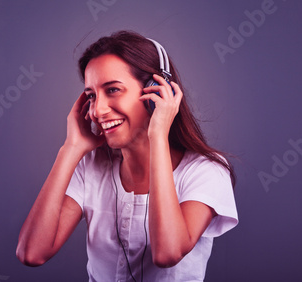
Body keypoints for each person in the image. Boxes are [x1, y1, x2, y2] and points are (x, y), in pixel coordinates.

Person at [16, 30, 238, 281]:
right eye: (91, 95)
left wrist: (158, 135)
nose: (98, 110)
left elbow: (167, 253)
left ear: (156, 92)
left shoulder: (206, 171)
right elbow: (31, 253)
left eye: (112, 90)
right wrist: (70, 149)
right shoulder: (91, 167)